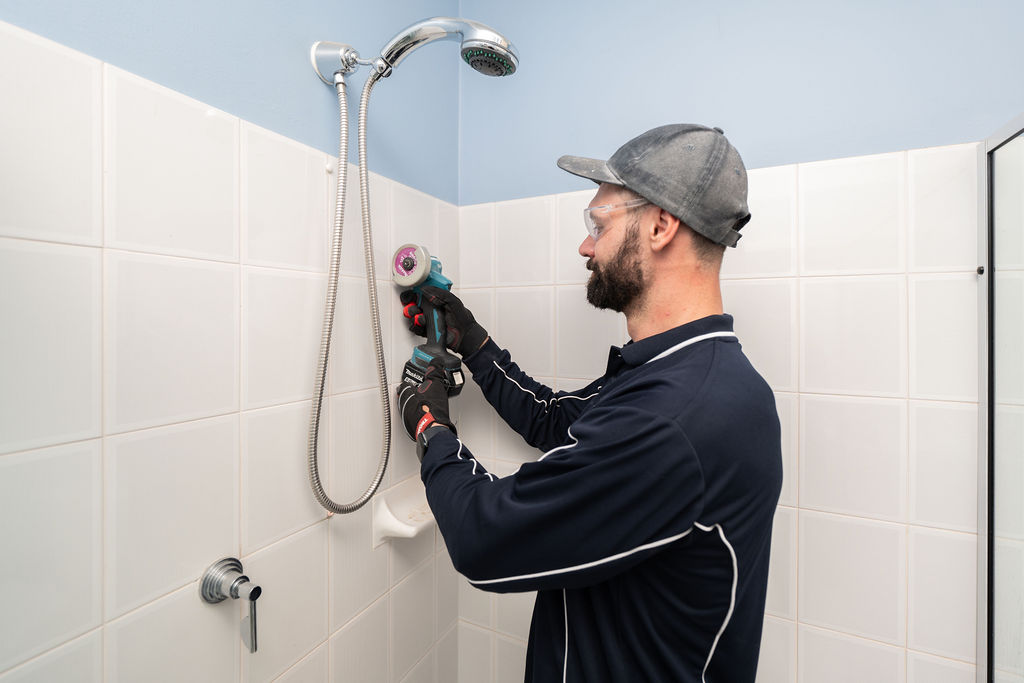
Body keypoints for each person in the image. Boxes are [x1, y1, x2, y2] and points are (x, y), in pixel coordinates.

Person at [396, 124, 783, 682]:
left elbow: (485, 538)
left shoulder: (675, 415)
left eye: (597, 225)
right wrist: (474, 343)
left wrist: (431, 429)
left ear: (659, 226)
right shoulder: (680, 371)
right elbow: (553, 420)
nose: (584, 245)